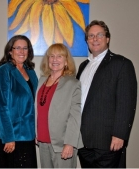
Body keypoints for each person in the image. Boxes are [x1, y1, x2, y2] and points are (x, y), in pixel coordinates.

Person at [76, 20, 137, 168]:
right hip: (83, 142)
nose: (95, 39)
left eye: (99, 35)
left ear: (107, 38)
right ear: (87, 41)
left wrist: (120, 134)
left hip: (108, 142)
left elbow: (126, 102)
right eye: (90, 36)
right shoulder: (83, 66)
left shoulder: (121, 64)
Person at [0, 35, 38, 168]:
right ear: (10, 51)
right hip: (12, 136)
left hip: (28, 135)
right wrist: (9, 137)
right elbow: (2, 107)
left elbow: (34, 105)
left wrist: (36, 131)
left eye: (25, 48)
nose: (22, 51)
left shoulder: (31, 72)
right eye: (17, 48)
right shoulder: (2, 72)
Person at [35, 43, 83, 168]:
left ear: (66, 61)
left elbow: (75, 116)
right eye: (51, 56)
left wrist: (70, 143)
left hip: (62, 143)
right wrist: (36, 132)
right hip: (43, 140)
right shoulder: (41, 81)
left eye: (59, 56)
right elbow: (38, 109)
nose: (55, 59)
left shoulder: (73, 83)